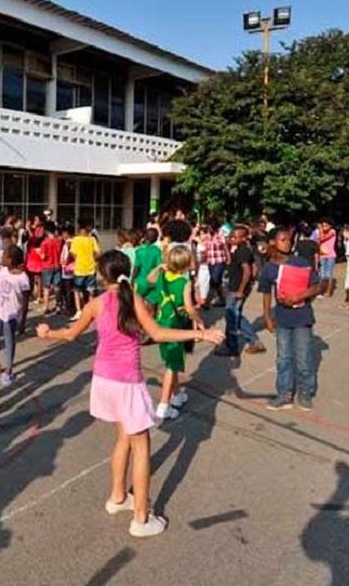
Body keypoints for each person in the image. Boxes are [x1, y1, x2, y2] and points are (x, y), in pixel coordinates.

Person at [37, 251, 223, 538]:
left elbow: (72, 334)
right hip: (126, 383)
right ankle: (140, 518)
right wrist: (200, 334)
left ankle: (118, 497)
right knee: (141, 447)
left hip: (103, 379)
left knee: (123, 438)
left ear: (101, 275)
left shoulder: (97, 303)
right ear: (127, 271)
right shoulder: (132, 298)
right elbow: (159, 333)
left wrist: (48, 333)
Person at [259, 228, 325, 411]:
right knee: (283, 358)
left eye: (289, 239)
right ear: (272, 243)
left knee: (303, 358)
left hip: (302, 317)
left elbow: (318, 286)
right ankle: (284, 394)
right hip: (282, 319)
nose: (288, 242)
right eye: (283, 239)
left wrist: (299, 297)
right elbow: (265, 293)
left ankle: (305, 392)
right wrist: (267, 317)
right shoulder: (269, 268)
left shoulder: (300, 262)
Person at [147, 245, 204, 421]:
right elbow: (189, 307)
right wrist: (199, 321)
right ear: (186, 264)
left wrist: (159, 267)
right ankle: (163, 405)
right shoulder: (184, 283)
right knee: (171, 367)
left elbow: (149, 279)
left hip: (161, 323)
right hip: (176, 326)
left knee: (172, 361)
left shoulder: (163, 276)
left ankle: (176, 395)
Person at [0, 245, 30, 385]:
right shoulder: (3, 271)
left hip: (11, 314)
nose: (1, 258)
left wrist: (23, 320)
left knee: (9, 340)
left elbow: (25, 300)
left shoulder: (23, 278)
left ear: (11, 260)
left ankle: (9, 369)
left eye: (4, 256)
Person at [219, 226, 261, 356]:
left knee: (231, 317)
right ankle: (255, 342)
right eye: (231, 236)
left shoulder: (243, 251)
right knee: (236, 316)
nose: (231, 238)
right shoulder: (240, 250)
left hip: (237, 288)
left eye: (235, 237)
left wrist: (241, 290)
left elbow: (248, 271)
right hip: (236, 286)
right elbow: (254, 267)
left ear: (243, 238)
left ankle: (232, 347)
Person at [69, 221, 101, 321]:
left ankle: (79, 311)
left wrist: (79, 258)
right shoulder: (92, 239)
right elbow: (99, 253)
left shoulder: (75, 239)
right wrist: (92, 258)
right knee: (91, 290)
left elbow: (73, 254)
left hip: (79, 269)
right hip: (91, 268)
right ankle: (91, 311)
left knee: (77, 291)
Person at [133, 227, 164, 309]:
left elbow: (136, 267)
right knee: (152, 304)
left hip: (141, 281)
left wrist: (132, 280)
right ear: (156, 238)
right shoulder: (157, 251)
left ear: (145, 237)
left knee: (137, 303)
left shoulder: (139, 251)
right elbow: (159, 266)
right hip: (153, 281)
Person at [38, 221, 62, 314]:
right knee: (57, 287)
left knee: (46, 288)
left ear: (46, 230)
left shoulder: (44, 243)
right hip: (57, 265)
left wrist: (39, 253)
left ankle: (46, 307)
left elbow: (43, 257)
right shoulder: (59, 241)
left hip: (47, 266)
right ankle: (58, 306)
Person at [315, 219, 338, 297]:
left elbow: (323, 238)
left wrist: (320, 230)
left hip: (330, 255)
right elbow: (318, 242)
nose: (324, 227)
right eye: (322, 225)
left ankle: (328, 291)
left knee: (328, 274)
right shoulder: (320, 233)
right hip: (322, 255)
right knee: (322, 274)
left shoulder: (332, 231)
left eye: (325, 225)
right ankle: (321, 290)